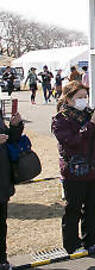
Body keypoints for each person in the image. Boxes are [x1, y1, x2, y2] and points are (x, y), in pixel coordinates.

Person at [51, 81, 95, 254]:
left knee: (92, 208)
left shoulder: (88, 114)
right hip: (74, 171)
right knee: (73, 209)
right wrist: (91, 124)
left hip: (94, 168)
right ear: (68, 99)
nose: (84, 101)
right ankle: (72, 244)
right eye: (79, 97)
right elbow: (72, 142)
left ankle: (91, 240)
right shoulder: (61, 119)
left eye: (85, 97)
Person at [1, 108, 24, 270]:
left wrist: (15, 127)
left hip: (2, 178)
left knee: (2, 223)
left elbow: (9, 140)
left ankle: (2, 258)